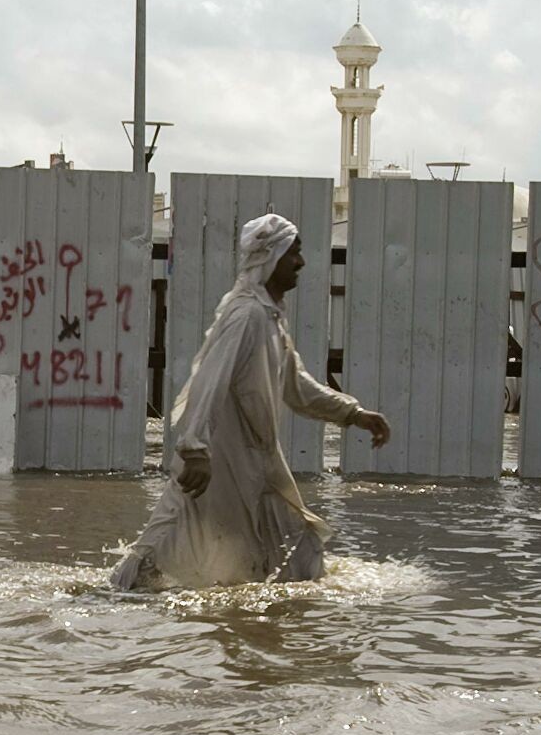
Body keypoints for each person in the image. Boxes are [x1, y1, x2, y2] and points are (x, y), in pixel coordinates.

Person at [112, 214, 390, 589]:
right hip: (221, 461)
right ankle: (114, 604)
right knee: (162, 547)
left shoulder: (270, 318)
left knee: (294, 552)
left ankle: (263, 627)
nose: (301, 263)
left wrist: (354, 414)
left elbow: (297, 387)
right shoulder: (246, 316)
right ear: (271, 257)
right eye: (295, 253)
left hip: (259, 460)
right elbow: (211, 379)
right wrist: (195, 449)